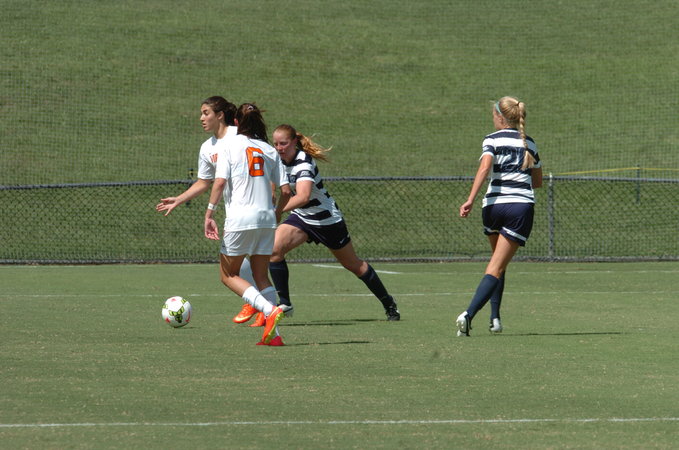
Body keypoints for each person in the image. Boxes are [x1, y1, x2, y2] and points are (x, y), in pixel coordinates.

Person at [268, 124, 400, 321]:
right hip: (302, 217)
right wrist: (270, 198)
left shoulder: (304, 162)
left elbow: (303, 196)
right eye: (276, 144)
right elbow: (274, 182)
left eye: (284, 144)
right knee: (274, 250)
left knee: (353, 265)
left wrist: (277, 211)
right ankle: (285, 304)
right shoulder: (277, 160)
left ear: (294, 142)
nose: (279, 148)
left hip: (327, 219)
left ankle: (388, 303)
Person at [155, 96, 259, 326]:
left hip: (255, 205)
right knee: (242, 259)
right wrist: (179, 199)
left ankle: (261, 303)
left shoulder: (240, 136)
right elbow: (204, 182)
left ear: (219, 115)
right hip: (235, 211)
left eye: (206, 113)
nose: (201, 118)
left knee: (238, 264)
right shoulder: (207, 148)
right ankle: (263, 303)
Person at [204, 103, 291, 346]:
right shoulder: (269, 150)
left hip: (240, 219)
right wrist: (276, 213)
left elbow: (220, 182)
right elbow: (286, 191)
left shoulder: (229, 145)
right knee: (261, 276)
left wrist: (209, 213)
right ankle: (274, 336)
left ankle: (269, 310)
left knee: (228, 274)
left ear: (236, 122)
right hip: (266, 220)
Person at [455, 96, 542, 336]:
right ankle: (468, 315)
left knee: (496, 263)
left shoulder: (491, 139)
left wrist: (470, 199)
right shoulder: (530, 143)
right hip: (519, 208)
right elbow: (537, 182)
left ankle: (495, 318)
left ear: (500, 117)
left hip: (492, 207)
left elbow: (485, 167)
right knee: (497, 266)